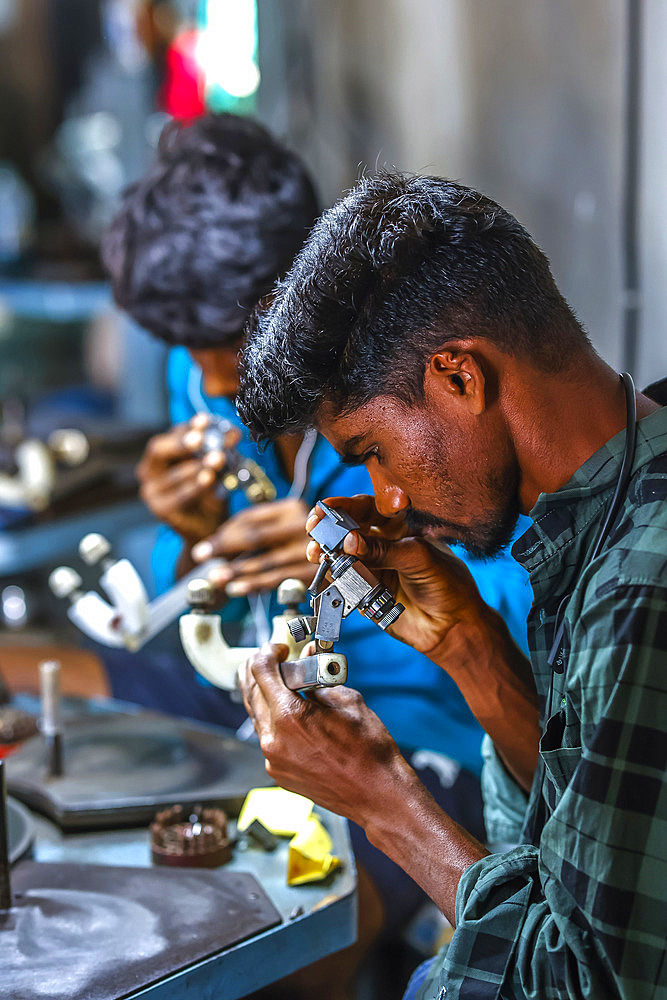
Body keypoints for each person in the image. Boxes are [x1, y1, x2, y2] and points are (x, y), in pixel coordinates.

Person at [102, 120, 534, 981]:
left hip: (413, 730)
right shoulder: (204, 383)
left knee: (284, 964)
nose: (215, 379)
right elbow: (199, 605)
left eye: (226, 345)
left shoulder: (403, 403)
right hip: (248, 696)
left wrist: (361, 562)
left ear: (293, 295)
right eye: (187, 350)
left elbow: (516, 609)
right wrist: (182, 542)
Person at [235, 171, 667, 1000]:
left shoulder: (640, 580)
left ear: (459, 377)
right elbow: (578, 855)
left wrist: (383, 799)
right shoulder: (605, 510)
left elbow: (585, 984)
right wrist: (469, 646)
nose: (387, 499)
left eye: (370, 451)